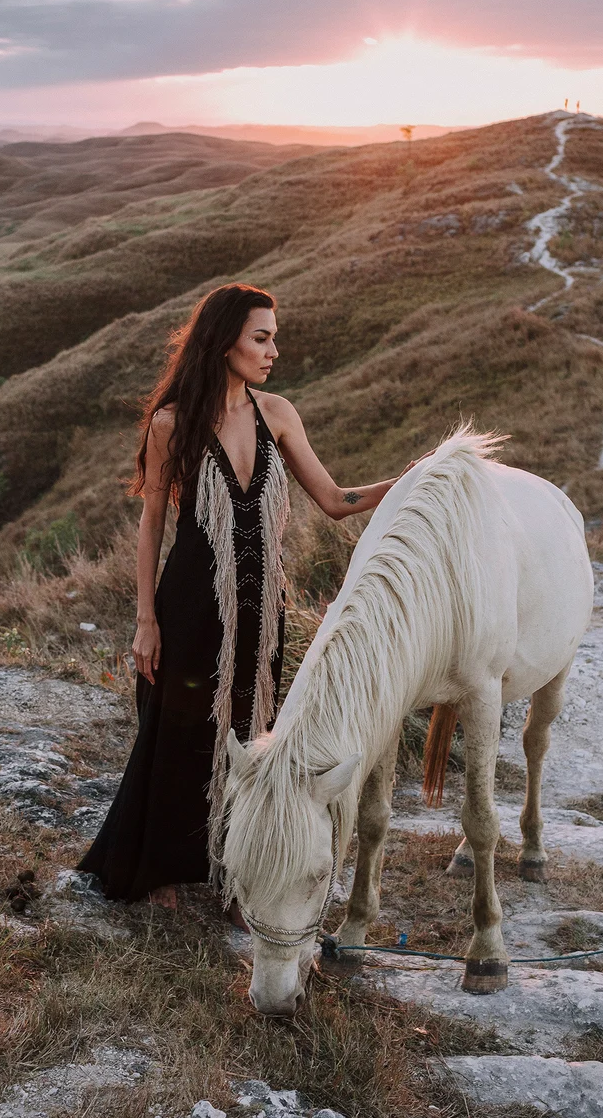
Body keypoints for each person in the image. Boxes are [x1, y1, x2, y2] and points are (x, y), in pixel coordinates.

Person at [82, 282, 400, 906]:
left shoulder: (277, 413)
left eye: (273, 338)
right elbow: (151, 526)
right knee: (177, 733)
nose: (272, 350)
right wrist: (146, 620)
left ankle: (236, 864)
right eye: (261, 337)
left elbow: (337, 503)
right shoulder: (171, 425)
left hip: (261, 612)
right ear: (223, 340)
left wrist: (419, 474)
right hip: (192, 605)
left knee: (253, 739)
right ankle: (163, 869)